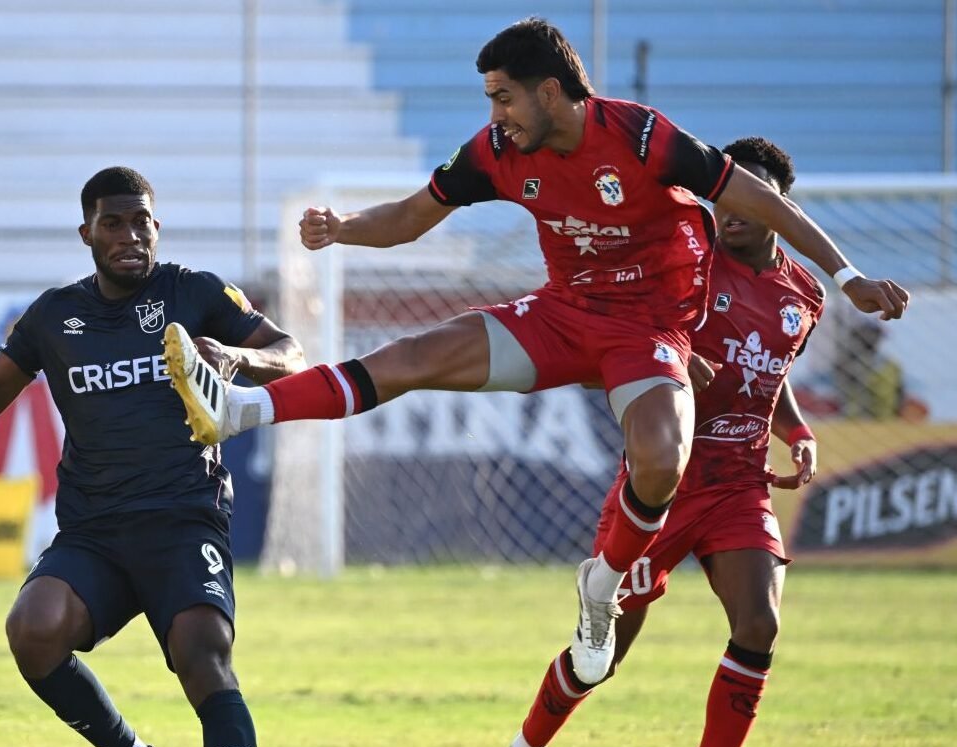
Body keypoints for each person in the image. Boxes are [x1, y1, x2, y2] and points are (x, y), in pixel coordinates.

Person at [162, 16, 908, 688]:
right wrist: (343, 229)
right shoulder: (494, 152)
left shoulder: (643, 136)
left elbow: (760, 200)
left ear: (550, 92)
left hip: (649, 333)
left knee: (659, 459)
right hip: (564, 314)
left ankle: (601, 588)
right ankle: (238, 410)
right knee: (414, 356)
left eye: (504, 97)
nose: (495, 116)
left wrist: (846, 276)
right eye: (490, 100)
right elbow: (414, 216)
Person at [0, 166, 305, 747]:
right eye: (114, 223)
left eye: (141, 222)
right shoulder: (55, 316)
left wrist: (240, 358)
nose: (130, 235)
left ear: (157, 228)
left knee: (202, 654)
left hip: (184, 516)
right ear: (87, 233)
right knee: (33, 628)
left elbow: (291, 352)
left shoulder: (197, 294)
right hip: (95, 528)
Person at [489, 137, 826, 747]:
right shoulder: (682, 260)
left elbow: (770, 372)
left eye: (745, 197)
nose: (727, 209)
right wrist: (668, 360)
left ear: (779, 204)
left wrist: (798, 430)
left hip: (738, 486)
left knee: (758, 625)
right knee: (600, 660)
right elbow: (610, 348)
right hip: (662, 486)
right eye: (721, 195)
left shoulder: (805, 294)